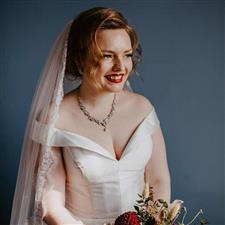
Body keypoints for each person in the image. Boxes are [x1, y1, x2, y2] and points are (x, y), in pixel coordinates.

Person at [10, 7, 171, 225]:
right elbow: (51, 204)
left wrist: (153, 222)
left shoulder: (142, 108)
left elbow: (158, 179)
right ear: (79, 59)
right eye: (107, 56)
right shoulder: (55, 118)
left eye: (126, 55)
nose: (120, 66)